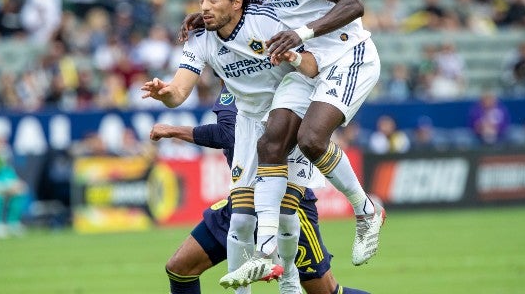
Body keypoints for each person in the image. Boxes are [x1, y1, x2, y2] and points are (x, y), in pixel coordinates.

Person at [218, 0, 385, 287]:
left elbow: (354, 5)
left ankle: (365, 210)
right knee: (271, 143)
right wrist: (207, 19)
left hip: (347, 55)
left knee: (311, 140)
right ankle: (265, 251)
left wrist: (303, 33)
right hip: (305, 65)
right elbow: (243, 8)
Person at [142, 0, 322, 293]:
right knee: (236, 223)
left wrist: (294, 56)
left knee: (293, 232)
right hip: (250, 130)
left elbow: (312, 67)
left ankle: (289, 278)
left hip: (288, 120)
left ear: (238, 3)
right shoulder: (203, 41)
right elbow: (179, 92)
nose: (204, 6)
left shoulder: (266, 23)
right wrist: (164, 92)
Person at [152, 86, 370, 294]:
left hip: (287, 204)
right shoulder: (233, 79)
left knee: (325, 291)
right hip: (243, 202)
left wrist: (173, 130)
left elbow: (227, 134)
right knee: (180, 268)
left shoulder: (245, 80)